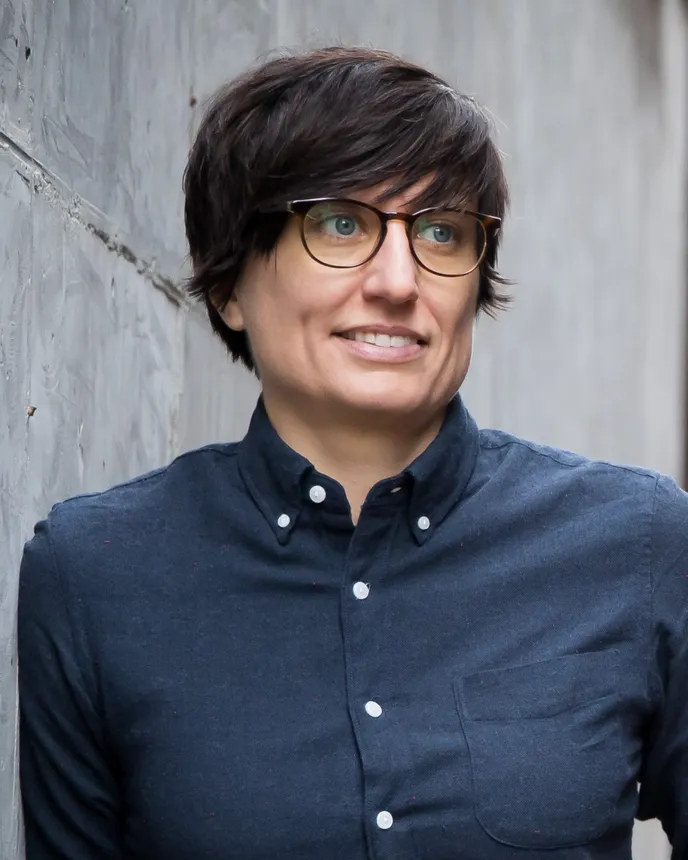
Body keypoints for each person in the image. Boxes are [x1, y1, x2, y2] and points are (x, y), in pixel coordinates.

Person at [17, 45, 687, 860]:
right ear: (229, 284)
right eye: (341, 222)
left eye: (441, 232)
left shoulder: (638, 543)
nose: (399, 281)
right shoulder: (95, 575)